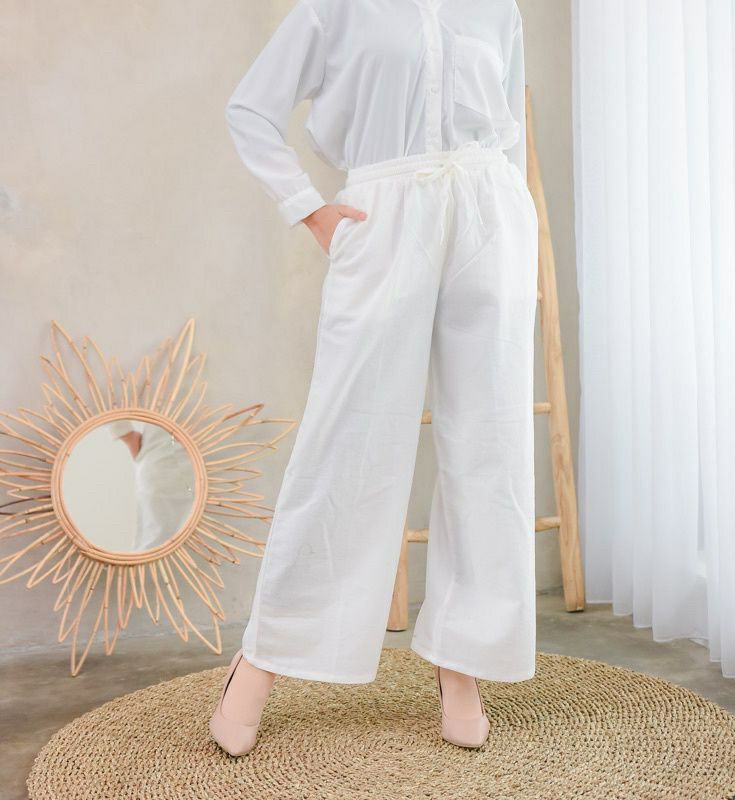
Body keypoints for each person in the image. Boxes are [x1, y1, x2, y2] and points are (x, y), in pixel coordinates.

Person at [210, 0, 538, 756]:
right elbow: (250, 110)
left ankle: (461, 662)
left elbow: (509, 129)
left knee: (489, 447)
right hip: (385, 214)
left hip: (489, 214)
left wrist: (513, 233)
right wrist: (309, 209)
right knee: (347, 441)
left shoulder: (498, 8)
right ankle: (264, 655)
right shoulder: (335, 8)